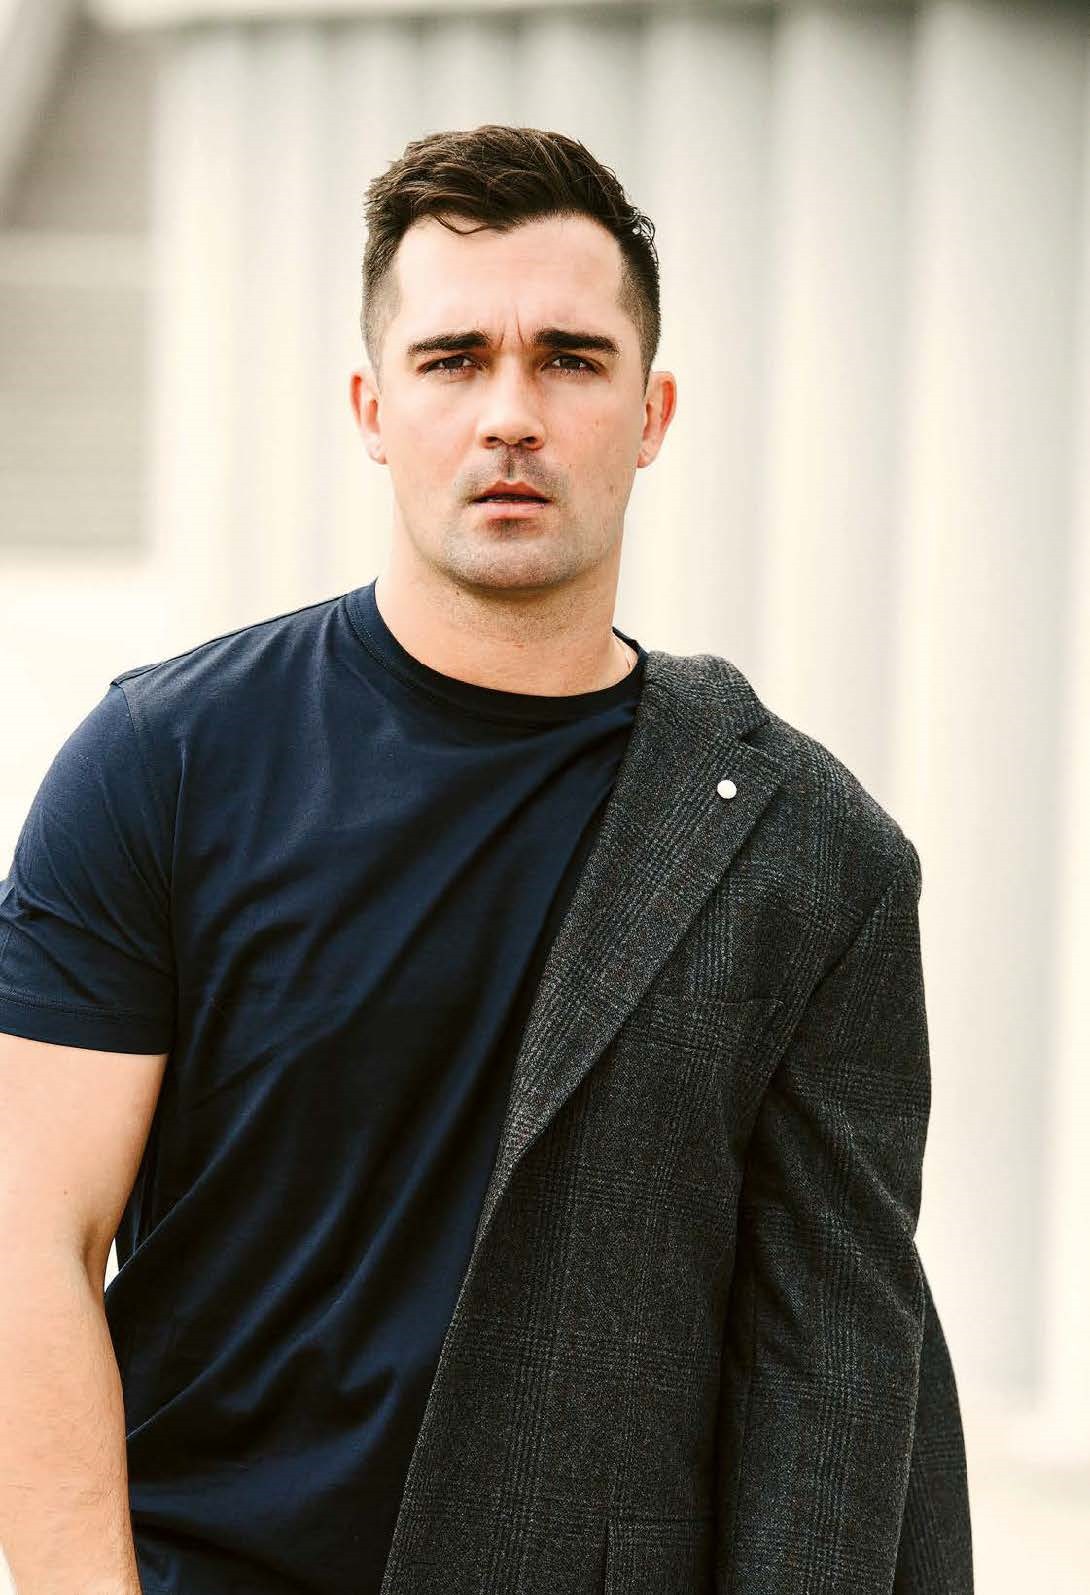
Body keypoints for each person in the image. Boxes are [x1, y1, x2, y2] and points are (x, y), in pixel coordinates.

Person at [0, 125, 972, 1594]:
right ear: (373, 408)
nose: (511, 413)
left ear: (650, 414)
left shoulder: (803, 849)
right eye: (454, 359)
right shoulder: (163, 764)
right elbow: (32, 1242)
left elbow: (829, 1373)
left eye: (570, 360)